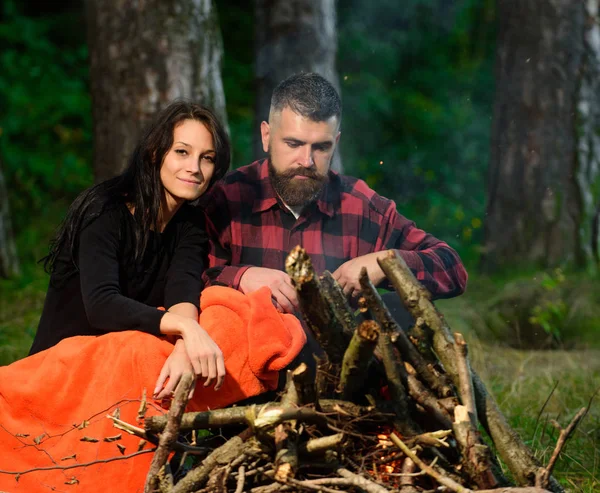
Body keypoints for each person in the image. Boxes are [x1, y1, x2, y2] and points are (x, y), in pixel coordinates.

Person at [201, 72, 468, 321]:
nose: (306, 161)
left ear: (335, 143)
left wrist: (385, 263)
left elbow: (452, 268)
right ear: (266, 136)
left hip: (338, 362)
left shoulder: (362, 208)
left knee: (405, 313)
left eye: (321, 147)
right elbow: (183, 280)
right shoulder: (226, 199)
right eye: (293, 144)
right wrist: (240, 277)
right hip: (248, 359)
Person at [29, 100, 230, 398]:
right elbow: (102, 305)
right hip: (61, 371)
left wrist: (184, 346)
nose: (194, 168)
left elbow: (183, 291)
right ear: (154, 153)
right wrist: (188, 330)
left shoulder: (191, 223)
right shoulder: (104, 210)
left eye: (207, 158)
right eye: (182, 152)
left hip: (123, 370)